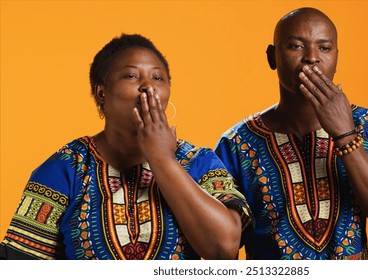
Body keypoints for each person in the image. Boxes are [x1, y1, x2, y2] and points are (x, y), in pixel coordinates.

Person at [0, 34, 252, 260]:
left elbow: (224, 249)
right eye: (132, 76)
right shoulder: (65, 168)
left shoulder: (198, 162)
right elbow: (18, 266)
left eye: (157, 77)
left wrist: (162, 159)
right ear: (101, 93)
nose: (148, 86)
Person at [214, 7, 368, 260]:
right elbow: (219, 247)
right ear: (272, 57)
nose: (312, 58)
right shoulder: (236, 143)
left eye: (324, 48)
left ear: (337, 58)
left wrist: (345, 135)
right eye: (296, 46)